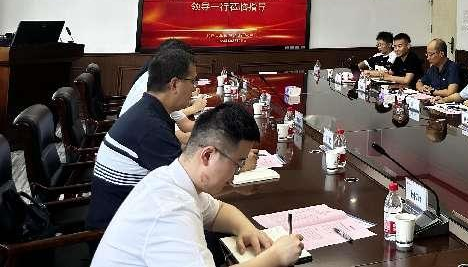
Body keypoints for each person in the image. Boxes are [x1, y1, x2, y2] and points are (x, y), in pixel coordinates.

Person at [91, 103, 305, 267]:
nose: (237, 172)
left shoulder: (172, 178)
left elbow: (218, 211)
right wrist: (275, 257)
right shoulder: (170, 210)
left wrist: (246, 228)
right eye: (238, 163)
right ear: (208, 155)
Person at [87, 45, 197, 229]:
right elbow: (190, 182)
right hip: (117, 232)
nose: (194, 88)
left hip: (128, 214)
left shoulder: (149, 109)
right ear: (174, 84)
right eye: (193, 81)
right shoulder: (150, 128)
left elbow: (179, 161)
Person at [119, 39, 207, 139]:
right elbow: (177, 137)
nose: (194, 87)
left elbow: (182, 125)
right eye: (192, 81)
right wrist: (193, 109)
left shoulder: (159, 83)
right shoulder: (155, 89)